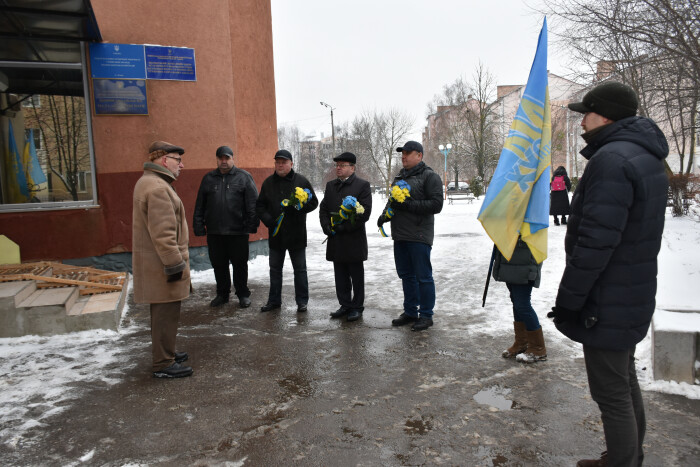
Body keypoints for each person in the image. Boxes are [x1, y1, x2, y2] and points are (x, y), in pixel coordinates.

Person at [549, 82, 669, 467]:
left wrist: (570, 301)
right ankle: (628, 455)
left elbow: (596, 244)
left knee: (611, 391)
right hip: (630, 291)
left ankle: (622, 461)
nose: (581, 121)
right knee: (624, 380)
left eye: (587, 113)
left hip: (608, 296)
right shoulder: (642, 155)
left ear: (607, 116)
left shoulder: (612, 160)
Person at [132, 141, 193, 379]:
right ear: (164, 160)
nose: (181, 165)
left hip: (156, 264)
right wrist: (175, 264)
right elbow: (164, 233)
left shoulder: (149, 182)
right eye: (178, 160)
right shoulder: (157, 188)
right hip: (162, 266)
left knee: (164, 314)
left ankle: (166, 352)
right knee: (165, 314)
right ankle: (163, 363)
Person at [377, 141, 443, 331]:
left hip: (419, 234)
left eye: (408, 153)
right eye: (402, 153)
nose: (403, 156)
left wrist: (408, 205)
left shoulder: (429, 176)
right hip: (401, 235)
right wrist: (384, 215)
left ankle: (426, 315)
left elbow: (436, 205)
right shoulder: (399, 176)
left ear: (419, 155)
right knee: (406, 275)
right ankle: (410, 311)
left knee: (423, 277)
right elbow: (392, 201)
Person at [193, 145, 259, 309]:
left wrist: (252, 224)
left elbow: (253, 204)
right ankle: (222, 294)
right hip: (215, 232)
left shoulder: (244, 177)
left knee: (239, 265)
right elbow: (200, 204)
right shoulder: (208, 179)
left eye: (227, 158)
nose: (224, 161)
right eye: (221, 158)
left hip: (238, 231)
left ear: (232, 159)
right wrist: (199, 225)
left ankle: (243, 294)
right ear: (217, 159)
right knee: (219, 264)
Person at [256, 149, 318, 313]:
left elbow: (314, 203)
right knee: (275, 270)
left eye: (284, 162)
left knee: (300, 270)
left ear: (291, 164)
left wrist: (299, 207)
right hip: (276, 235)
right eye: (278, 162)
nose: (280, 165)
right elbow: (260, 205)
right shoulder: (268, 183)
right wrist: (268, 220)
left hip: (296, 234)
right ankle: (274, 301)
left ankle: (302, 301)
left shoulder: (301, 181)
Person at [319, 152, 372, 322]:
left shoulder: (362, 185)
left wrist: (345, 226)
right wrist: (326, 226)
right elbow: (324, 209)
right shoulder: (331, 186)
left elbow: (364, 213)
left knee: (356, 275)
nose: (338, 168)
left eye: (342, 165)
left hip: (353, 239)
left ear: (352, 168)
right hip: (335, 239)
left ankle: (357, 307)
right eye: (337, 165)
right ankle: (345, 304)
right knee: (340, 274)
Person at [492, 239, 547, 363]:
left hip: (525, 263)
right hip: (510, 262)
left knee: (522, 304)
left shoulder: (532, 220)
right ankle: (521, 342)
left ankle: (538, 348)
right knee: (516, 302)